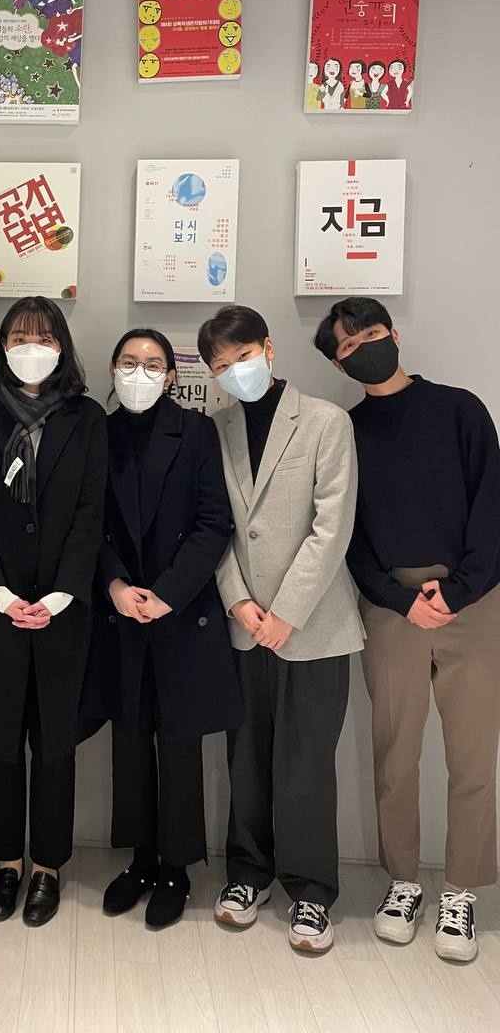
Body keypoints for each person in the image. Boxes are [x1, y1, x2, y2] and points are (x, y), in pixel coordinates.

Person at [314, 297, 500, 963]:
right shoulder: (345, 431)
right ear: (338, 363)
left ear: (393, 333)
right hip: (392, 609)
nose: (365, 345)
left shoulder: (460, 410)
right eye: (349, 343)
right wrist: (398, 598)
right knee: (395, 753)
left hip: (474, 602)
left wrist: (459, 590)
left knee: (473, 757)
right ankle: (402, 883)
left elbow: (492, 507)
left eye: (371, 331)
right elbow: (347, 534)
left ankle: (460, 891)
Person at [198, 305, 362, 954]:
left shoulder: (326, 422)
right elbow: (212, 525)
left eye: (243, 356)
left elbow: (332, 526)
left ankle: (311, 890)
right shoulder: (216, 429)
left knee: (307, 760)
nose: (235, 371)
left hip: (314, 625)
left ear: (267, 349)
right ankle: (248, 874)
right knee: (246, 757)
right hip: (244, 625)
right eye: (221, 365)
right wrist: (239, 602)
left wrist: (287, 611)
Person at [0, 297, 106, 927]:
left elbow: (91, 512)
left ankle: (49, 866)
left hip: (64, 609)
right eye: (18, 337)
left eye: (43, 337)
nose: (30, 348)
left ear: (62, 346)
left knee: (55, 742)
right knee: (1, 739)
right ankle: (7, 861)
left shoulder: (87, 418)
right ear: (3, 346)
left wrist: (62, 593)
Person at [82, 329, 242, 930]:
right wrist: (116, 586)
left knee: (178, 745)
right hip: (120, 609)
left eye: (153, 365)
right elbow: (87, 521)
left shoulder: (197, 432)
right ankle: (141, 859)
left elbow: (213, 522)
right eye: (129, 362)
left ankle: (176, 868)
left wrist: (168, 594)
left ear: (173, 376)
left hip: (181, 610)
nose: (140, 373)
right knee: (128, 741)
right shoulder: (98, 433)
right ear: (112, 368)